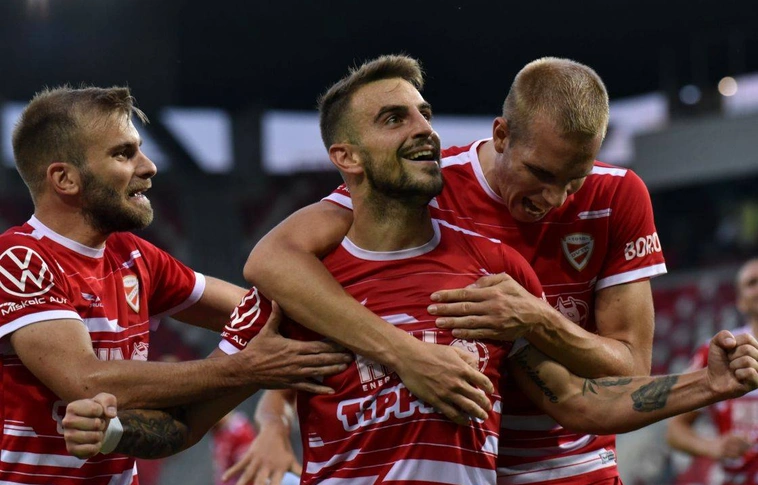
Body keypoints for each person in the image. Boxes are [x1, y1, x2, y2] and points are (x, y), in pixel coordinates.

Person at [61, 56, 758, 485]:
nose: (424, 127)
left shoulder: (494, 272)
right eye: (394, 118)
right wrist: (118, 432)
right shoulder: (301, 285)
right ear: (346, 159)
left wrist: (707, 382)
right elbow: (191, 418)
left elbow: (581, 401)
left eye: (424, 113)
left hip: (561, 468)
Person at [236, 55, 665, 484]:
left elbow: (629, 372)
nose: (555, 198)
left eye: (574, 180)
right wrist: (275, 416)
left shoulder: (618, 194)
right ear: (501, 135)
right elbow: (277, 263)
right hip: (468, 460)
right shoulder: (426, 184)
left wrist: (537, 319)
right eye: (540, 173)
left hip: (575, 464)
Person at [0, 86, 351, 485]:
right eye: (123, 154)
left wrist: (275, 416)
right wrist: (244, 369)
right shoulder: (18, 258)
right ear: (65, 178)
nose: (149, 167)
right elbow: (85, 381)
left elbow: (264, 312)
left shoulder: (133, 255)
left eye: (140, 150)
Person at [667, 258, 758, 484]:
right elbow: (675, 429)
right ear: (740, 301)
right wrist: (713, 447)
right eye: (752, 283)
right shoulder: (719, 352)